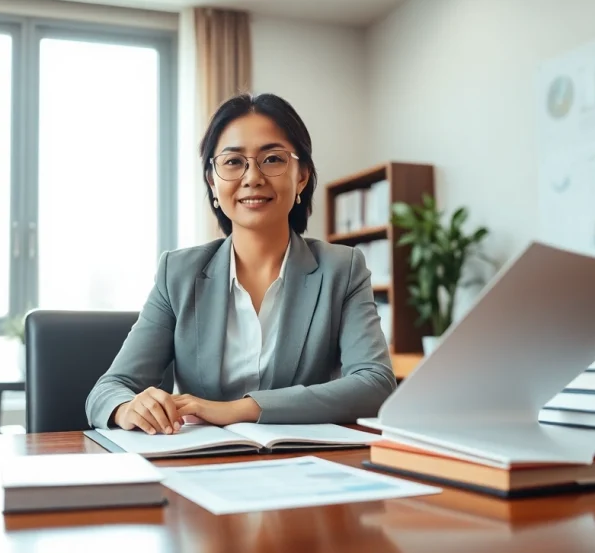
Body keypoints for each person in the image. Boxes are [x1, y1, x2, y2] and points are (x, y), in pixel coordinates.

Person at [84, 92, 397, 434]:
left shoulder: (342, 268)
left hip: (302, 464)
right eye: (233, 162)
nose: (253, 177)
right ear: (212, 182)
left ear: (302, 176)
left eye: (273, 159)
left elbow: (375, 384)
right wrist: (128, 407)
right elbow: (108, 390)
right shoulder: (178, 273)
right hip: (201, 466)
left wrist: (238, 410)